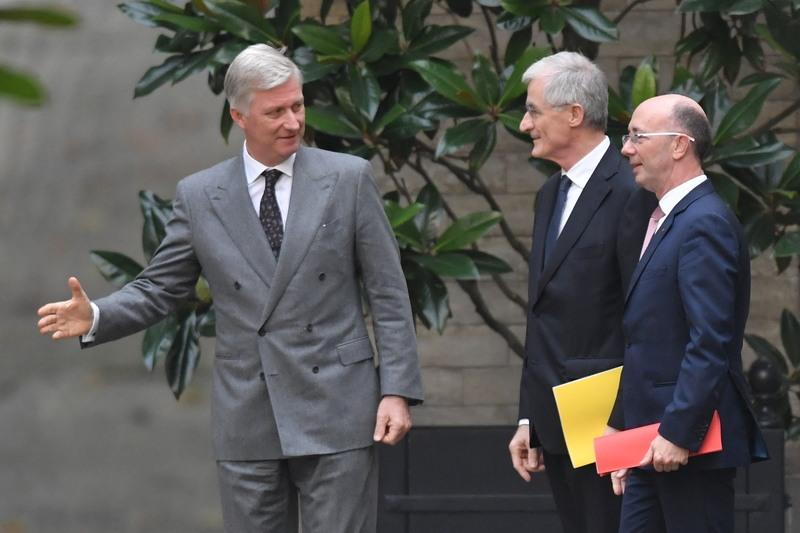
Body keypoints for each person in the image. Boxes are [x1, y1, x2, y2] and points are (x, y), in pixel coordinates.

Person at [36, 43, 424, 533]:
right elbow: (160, 287)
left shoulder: (348, 178)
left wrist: (396, 390)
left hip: (338, 404)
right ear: (239, 116)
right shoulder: (199, 196)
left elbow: (389, 292)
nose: (292, 122)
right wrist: (97, 315)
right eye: (276, 112)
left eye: (298, 106)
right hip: (249, 411)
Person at [507, 51, 655, 533]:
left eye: (533, 111)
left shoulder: (633, 190)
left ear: (574, 114)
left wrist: (623, 421)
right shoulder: (550, 193)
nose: (525, 124)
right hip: (555, 421)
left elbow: (645, 313)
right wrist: (529, 418)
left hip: (610, 421)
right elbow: (543, 313)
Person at [610, 94, 767, 533]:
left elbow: (710, 340)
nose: (626, 149)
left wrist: (679, 432)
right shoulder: (666, 217)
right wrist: (623, 433)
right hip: (649, 442)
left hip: (688, 444)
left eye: (638, 137)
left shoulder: (704, 222)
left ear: (679, 144)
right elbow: (650, 340)